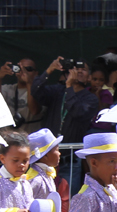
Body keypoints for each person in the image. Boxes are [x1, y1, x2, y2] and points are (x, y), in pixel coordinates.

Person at [31, 57, 98, 195]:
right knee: (42, 196)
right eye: (75, 68)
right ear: (68, 72)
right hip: (46, 159)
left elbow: (78, 112)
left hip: (70, 160)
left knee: (67, 200)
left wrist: (69, 88)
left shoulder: (91, 98)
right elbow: (36, 91)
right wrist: (49, 70)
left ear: (89, 77)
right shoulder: (57, 91)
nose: (79, 71)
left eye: (83, 69)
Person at [0, 58, 44, 133]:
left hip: (31, 136)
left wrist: (29, 83)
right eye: (20, 68)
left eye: (28, 69)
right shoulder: (8, 89)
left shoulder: (41, 91)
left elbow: (34, 111)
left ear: (36, 73)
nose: (24, 72)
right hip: (9, 137)